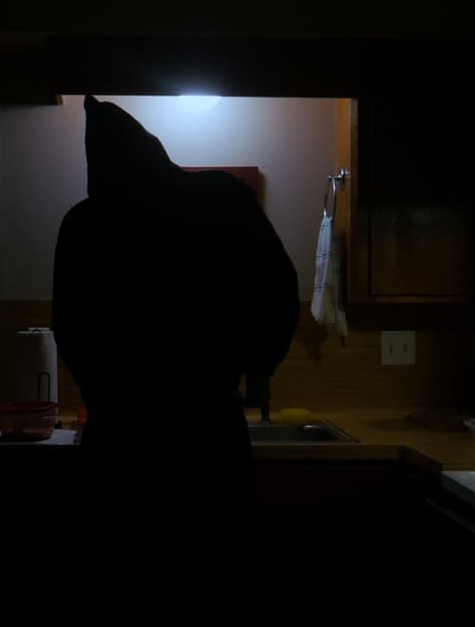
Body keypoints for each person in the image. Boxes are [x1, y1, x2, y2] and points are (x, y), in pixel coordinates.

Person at [53, 95, 298, 617]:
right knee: (217, 588)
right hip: (210, 440)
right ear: (154, 150)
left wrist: (100, 394)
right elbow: (277, 293)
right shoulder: (221, 199)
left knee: (126, 589)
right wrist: (260, 370)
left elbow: (69, 329)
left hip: (120, 446)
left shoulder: (85, 224)